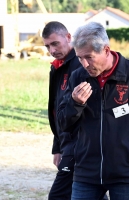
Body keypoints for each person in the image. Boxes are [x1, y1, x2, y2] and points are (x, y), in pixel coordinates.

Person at [57, 22, 129, 200]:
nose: (84, 64)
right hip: (86, 172)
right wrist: (75, 103)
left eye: (89, 57)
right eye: (79, 58)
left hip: (125, 173)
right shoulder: (77, 77)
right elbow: (63, 123)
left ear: (106, 50)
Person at [42, 21, 81, 200]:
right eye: (48, 46)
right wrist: (57, 147)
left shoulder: (81, 64)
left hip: (80, 145)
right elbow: (57, 110)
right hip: (66, 144)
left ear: (68, 37)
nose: (51, 50)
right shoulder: (57, 66)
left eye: (55, 43)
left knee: (58, 196)